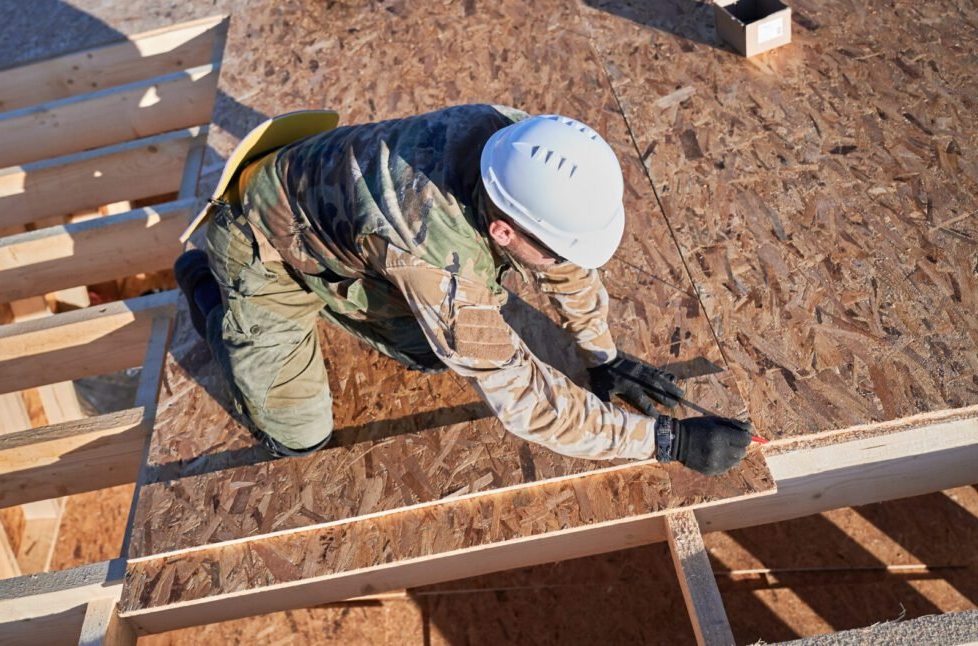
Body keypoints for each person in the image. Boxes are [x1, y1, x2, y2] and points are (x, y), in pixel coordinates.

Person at [175, 104, 752, 475]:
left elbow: (565, 265)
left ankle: (332, 285)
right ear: (502, 230)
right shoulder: (435, 262)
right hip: (259, 241)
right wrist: (666, 442)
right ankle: (209, 290)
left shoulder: (522, 145)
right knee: (300, 440)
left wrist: (602, 355)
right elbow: (525, 402)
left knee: (431, 354)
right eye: (552, 250)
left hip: (340, 221)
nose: (563, 266)